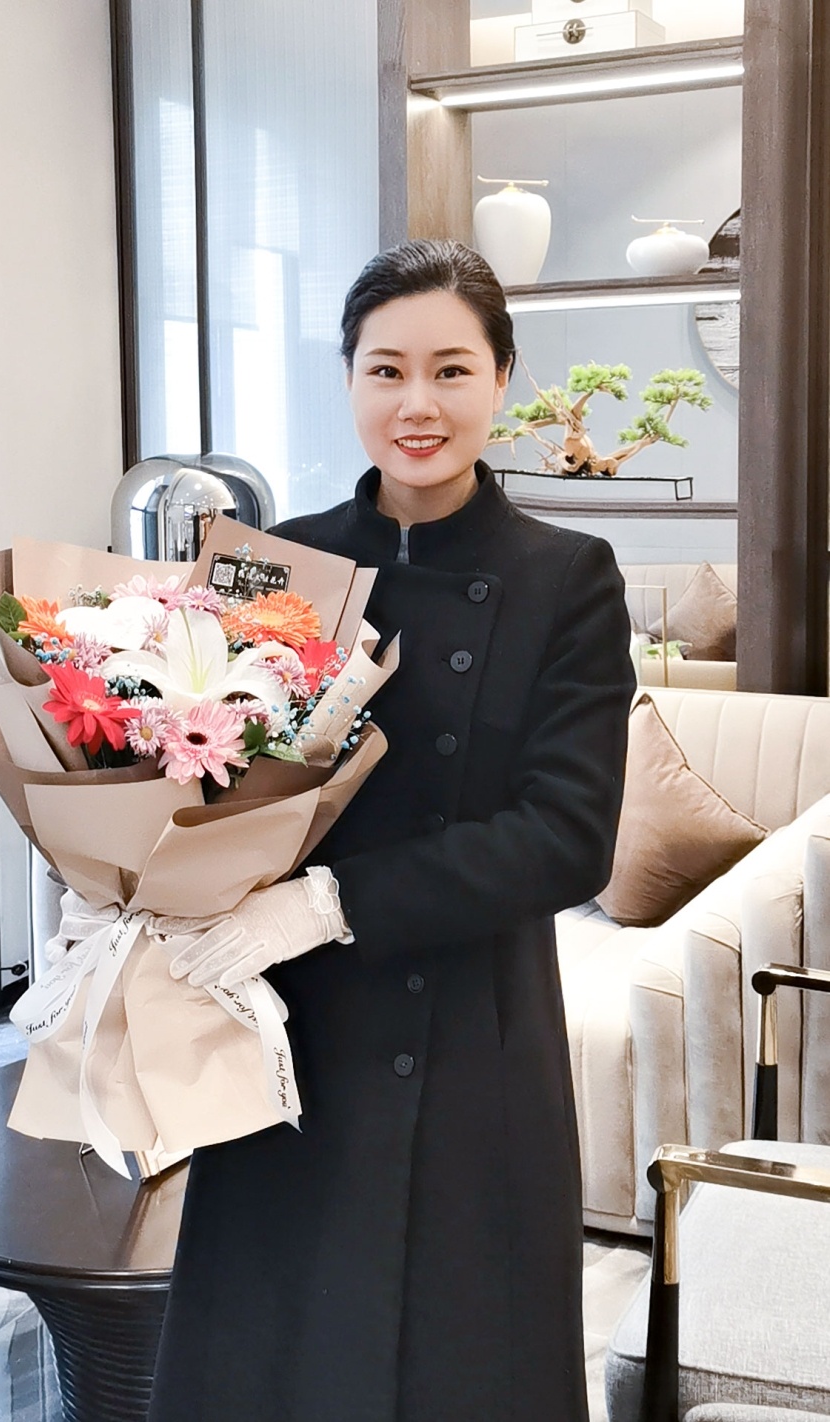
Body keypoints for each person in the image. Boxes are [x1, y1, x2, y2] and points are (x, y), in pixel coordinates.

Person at [147, 239, 636, 1422]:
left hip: (470, 1040)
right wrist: (126, 884)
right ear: (350, 380)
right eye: (386, 370)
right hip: (288, 1039)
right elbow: (191, 776)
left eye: (451, 370)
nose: (418, 403)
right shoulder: (274, 567)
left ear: (502, 378)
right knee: (276, 1358)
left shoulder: (568, 577)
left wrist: (326, 903)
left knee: (456, 1364)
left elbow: (567, 837)